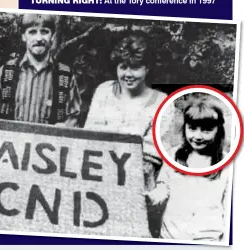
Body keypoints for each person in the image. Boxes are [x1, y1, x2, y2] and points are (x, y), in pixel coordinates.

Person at [84, 31, 171, 189]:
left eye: (136, 68)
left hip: (138, 181)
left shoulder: (161, 102)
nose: (128, 74)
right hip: (97, 176)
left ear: (147, 69)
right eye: (123, 67)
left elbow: (153, 154)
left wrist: (110, 136)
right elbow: (89, 136)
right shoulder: (104, 91)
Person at [144, 96, 229, 241]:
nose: (198, 136)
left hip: (208, 240)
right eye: (192, 128)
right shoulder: (173, 155)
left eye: (206, 130)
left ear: (218, 130)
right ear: (184, 128)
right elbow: (161, 191)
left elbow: (230, 210)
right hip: (170, 237)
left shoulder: (228, 164)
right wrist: (149, 179)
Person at [0, 14, 81, 126]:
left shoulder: (65, 75)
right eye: (32, 32)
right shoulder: (7, 71)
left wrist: (65, 126)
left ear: (53, 36)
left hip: (48, 142)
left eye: (44, 32)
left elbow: (75, 117)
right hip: (11, 141)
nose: (39, 38)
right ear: (23, 36)